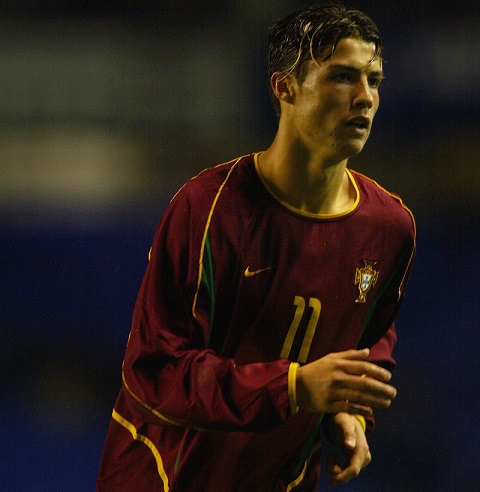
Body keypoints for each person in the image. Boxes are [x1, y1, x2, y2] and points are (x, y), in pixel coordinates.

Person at [97, 3, 415, 491]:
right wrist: (294, 387)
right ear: (284, 87)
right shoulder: (208, 207)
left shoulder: (390, 227)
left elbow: (369, 339)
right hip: (165, 478)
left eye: (374, 80)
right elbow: (156, 372)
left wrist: (348, 411)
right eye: (342, 77)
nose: (365, 97)